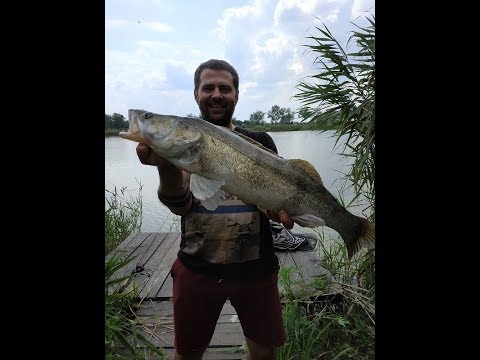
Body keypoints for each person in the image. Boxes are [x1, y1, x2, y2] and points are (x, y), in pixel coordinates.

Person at [135, 59, 294, 360]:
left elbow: (271, 201)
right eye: (208, 88)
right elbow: (179, 205)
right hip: (198, 268)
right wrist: (167, 167)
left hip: (255, 269)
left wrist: (278, 210)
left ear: (236, 94)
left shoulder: (260, 141)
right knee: (188, 353)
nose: (217, 94)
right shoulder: (186, 143)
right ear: (196, 94)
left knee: (264, 353)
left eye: (225, 88)